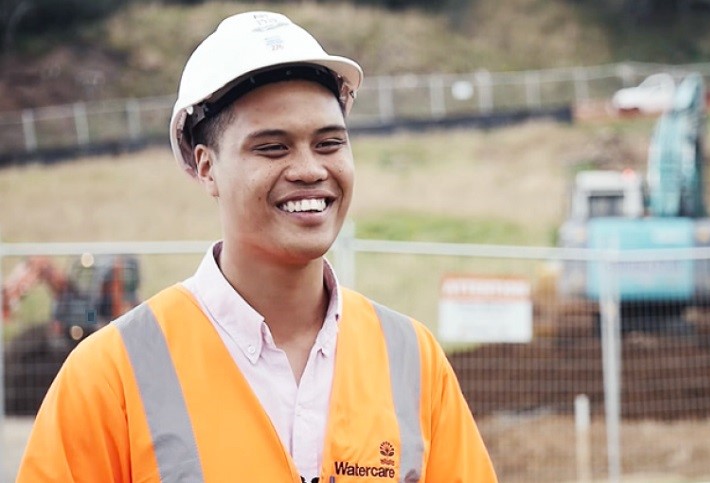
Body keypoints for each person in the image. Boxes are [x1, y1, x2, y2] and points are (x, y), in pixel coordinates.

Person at [17, 11, 498, 483]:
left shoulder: (412, 359)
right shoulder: (110, 376)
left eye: (329, 143)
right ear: (207, 168)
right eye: (273, 147)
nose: (310, 169)